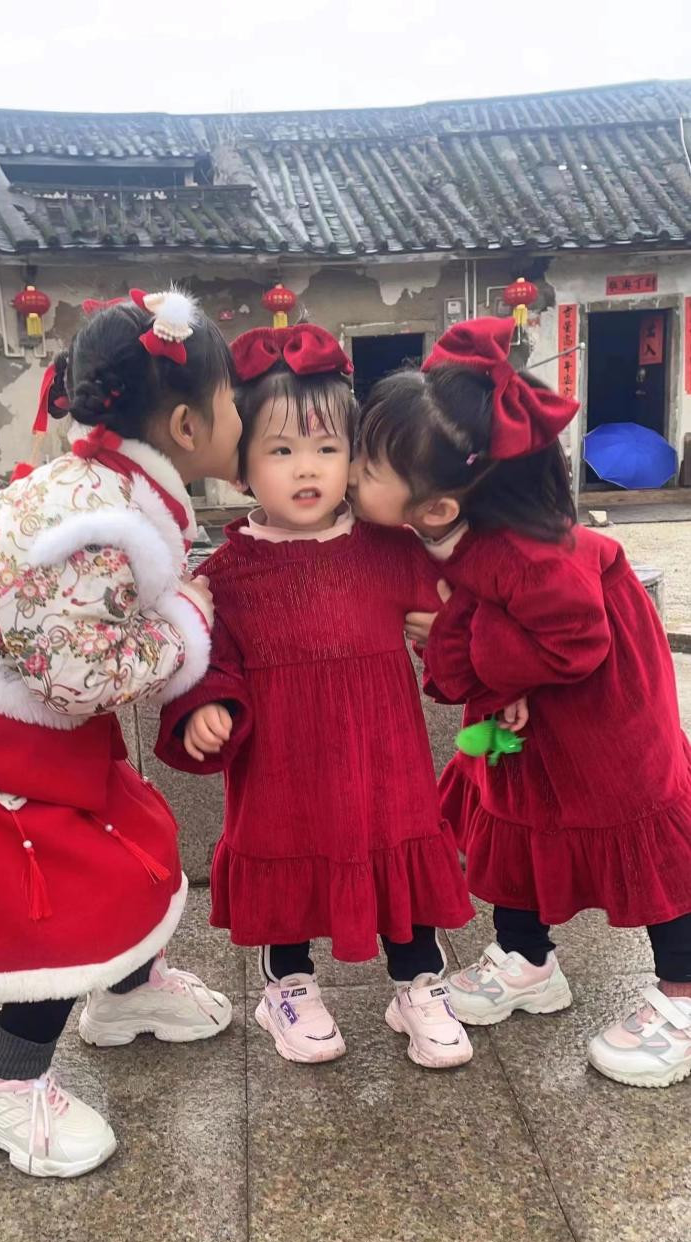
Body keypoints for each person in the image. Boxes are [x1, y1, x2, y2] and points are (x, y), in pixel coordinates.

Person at [0, 289, 242, 1176]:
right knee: (60, 895)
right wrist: (185, 621)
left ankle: (128, 991)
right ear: (187, 425)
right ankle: (2, 1083)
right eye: (232, 404)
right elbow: (80, 678)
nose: (241, 418)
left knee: (130, 833)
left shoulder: (111, 484)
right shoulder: (95, 525)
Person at [350, 315, 691, 1089]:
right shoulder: (465, 531)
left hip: (598, 719)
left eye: (367, 465)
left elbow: (575, 639)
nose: (351, 474)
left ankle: (682, 989)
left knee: (643, 837)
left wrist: (459, 640)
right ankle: (526, 958)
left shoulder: (532, 556)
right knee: (512, 815)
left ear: (437, 506)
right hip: (532, 711)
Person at [156, 323, 473, 1068]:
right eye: (280, 451)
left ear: (353, 459)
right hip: (282, 769)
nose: (307, 467)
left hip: (385, 761)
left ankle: (417, 983)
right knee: (284, 864)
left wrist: (448, 636)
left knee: (401, 862)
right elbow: (207, 656)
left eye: (328, 448)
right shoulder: (227, 574)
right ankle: (287, 985)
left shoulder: (391, 549)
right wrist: (206, 704)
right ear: (239, 468)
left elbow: (454, 626)